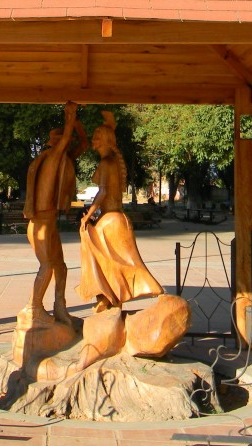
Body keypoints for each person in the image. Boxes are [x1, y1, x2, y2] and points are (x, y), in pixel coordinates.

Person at [77, 111, 163, 312]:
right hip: (114, 219)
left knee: (95, 247)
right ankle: (109, 298)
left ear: (106, 140)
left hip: (112, 221)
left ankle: (107, 297)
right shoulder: (111, 161)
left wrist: (88, 216)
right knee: (112, 262)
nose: (93, 139)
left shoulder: (107, 163)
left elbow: (103, 192)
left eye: (97, 136)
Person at [23, 101, 89, 326]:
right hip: (40, 224)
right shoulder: (52, 158)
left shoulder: (64, 160)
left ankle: (59, 307)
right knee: (48, 266)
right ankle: (34, 308)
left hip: (50, 224)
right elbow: (68, 142)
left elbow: (85, 144)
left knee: (60, 267)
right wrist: (70, 116)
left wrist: (77, 123)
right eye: (65, 141)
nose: (68, 145)